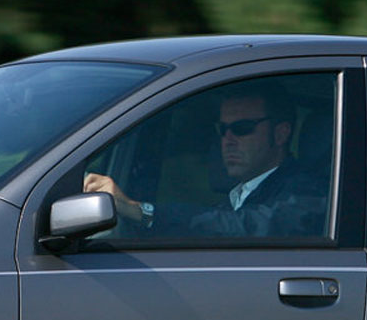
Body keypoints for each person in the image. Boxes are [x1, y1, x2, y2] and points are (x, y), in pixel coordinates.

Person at [83, 82, 328, 238]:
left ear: (281, 133)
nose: (228, 139)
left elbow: (247, 228)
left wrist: (141, 212)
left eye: (242, 128)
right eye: (222, 129)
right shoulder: (235, 201)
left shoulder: (308, 193)